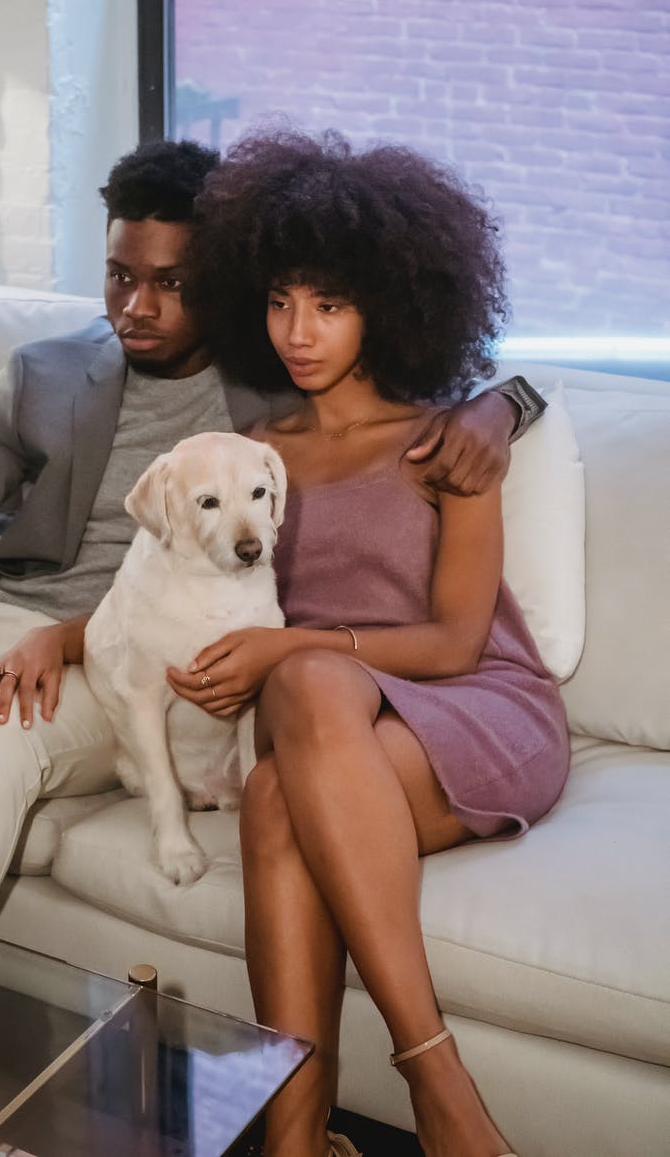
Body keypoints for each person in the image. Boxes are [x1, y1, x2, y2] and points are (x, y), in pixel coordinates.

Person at [0, 138, 540, 932]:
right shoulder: (46, 375)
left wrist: (503, 405)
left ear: (220, 286)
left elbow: (417, 375)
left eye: (172, 284)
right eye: (121, 276)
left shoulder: (272, 393)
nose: (136, 309)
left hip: (132, 660)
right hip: (30, 626)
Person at [162, 130, 570, 1157]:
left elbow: (454, 641)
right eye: (281, 300)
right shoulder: (261, 457)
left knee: (300, 684)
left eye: (330, 304)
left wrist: (296, 651)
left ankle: (431, 1077)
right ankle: (301, 1142)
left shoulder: (446, 442)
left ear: (388, 303)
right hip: (334, 728)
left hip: (475, 706)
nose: (299, 331)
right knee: (277, 775)